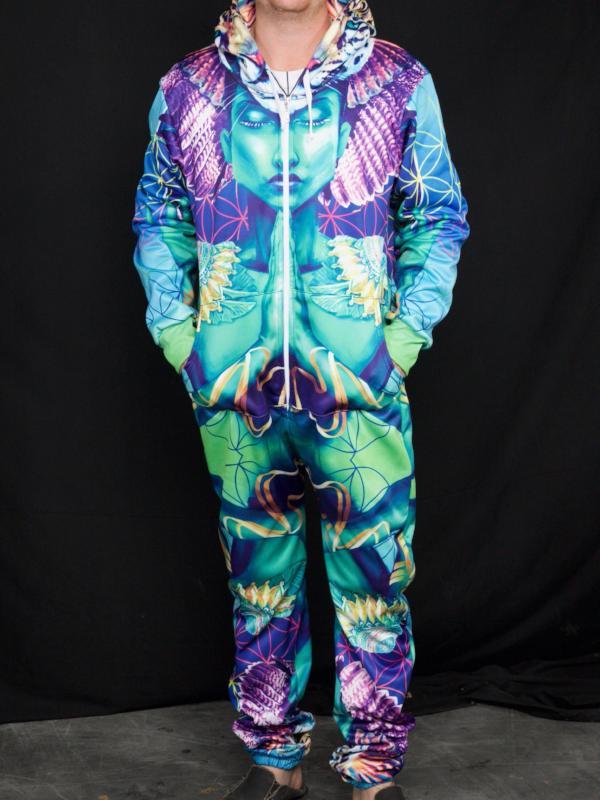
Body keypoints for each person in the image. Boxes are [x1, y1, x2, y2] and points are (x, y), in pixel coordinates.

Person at [131, 1, 471, 799]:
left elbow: (436, 216)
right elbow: (159, 216)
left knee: (375, 583)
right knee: (258, 582)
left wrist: (399, 343)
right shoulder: (188, 88)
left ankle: (373, 770)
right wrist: (183, 339)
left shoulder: (397, 81)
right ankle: (274, 762)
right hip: (235, 394)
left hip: (358, 390)